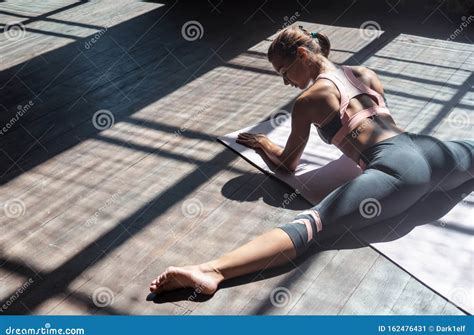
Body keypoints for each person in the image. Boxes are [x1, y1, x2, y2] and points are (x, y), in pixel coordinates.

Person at [149, 26, 473, 295]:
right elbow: (375, 124)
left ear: (303, 55)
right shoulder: (365, 73)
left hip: (397, 172)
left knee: (311, 226)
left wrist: (263, 144)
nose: (286, 82)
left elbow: (289, 164)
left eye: (285, 72)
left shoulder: (307, 101)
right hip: (430, 151)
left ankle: (210, 271)